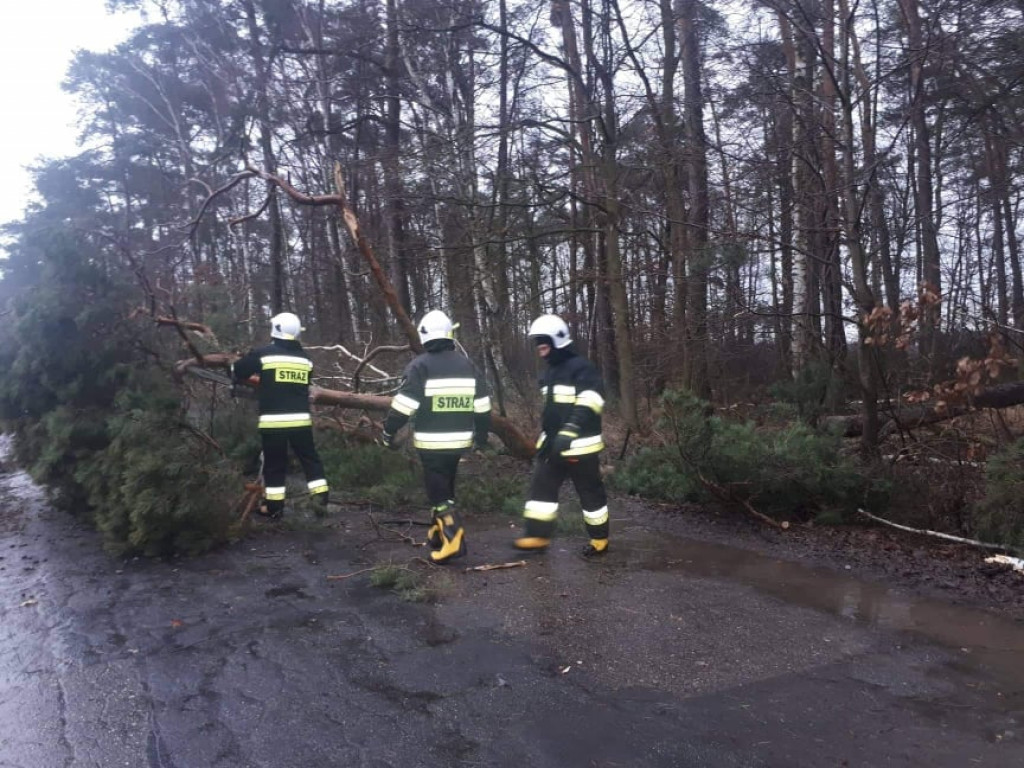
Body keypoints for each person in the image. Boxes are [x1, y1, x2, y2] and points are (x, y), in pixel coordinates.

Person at [381, 310, 491, 564]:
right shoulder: (468, 364)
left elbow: (402, 407)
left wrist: (389, 431)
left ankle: (453, 539)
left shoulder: (420, 366)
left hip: (431, 444)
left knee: (438, 493)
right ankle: (437, 533)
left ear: (425, 336)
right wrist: (481, 437)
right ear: (449, 334)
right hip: (460, 442)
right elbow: (483, 406)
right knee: (445, 489)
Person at [514, 314, 609, 557]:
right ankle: (536, 536)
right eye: (537, 345)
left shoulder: (582, 368)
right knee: (541, 492)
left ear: (557, 340)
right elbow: (552, 410)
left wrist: (570, 431)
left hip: (580, 447)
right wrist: (547, 437)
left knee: (590, 495)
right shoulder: (550, 372)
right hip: (553, 446)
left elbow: (590, 401)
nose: (539, 349)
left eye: (543, 344)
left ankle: (599, 540)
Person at [231, 312, 329, 518]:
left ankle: (274, 508)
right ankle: (320, 501)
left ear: (275, 329)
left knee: (275, 464)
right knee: (310, 460)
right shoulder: (306, 360)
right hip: (301, 422)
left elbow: (238, 370)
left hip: (273, 423)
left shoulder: (264, 354)